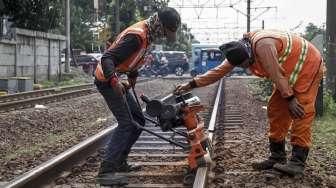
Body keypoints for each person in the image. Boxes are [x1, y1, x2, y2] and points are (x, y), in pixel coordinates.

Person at [174, 30, 323, 176]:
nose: (246, 67)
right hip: (287, 75)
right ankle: (277, 156)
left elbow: (275, 72)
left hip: (308, 65)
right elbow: (218, 72)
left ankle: (297, 163)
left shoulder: (263, 46)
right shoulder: (238, 51)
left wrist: (290, 99)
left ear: (249, 54)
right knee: (276, 110)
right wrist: (191, 84)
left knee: (300, 111)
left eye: (247, 64)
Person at [94, 7, 181, 186]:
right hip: (106, 80)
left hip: (116, 79)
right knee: (126, 124)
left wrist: (132, 77)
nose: (165, 36)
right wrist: (114, 81)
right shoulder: (137, 36)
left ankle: (120, 162)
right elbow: (107, 58)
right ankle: (106, 172)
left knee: (139, 120)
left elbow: (132, 59)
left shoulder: (147, 35)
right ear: (160, 25)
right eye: (166, 32)